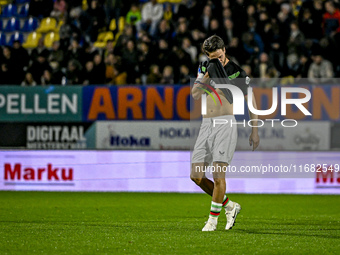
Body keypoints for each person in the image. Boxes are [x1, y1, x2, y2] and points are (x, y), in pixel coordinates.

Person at [191, 35, 260, 231]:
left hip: (225, 124)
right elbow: (195, 94)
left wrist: (255, 131)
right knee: (196, 176)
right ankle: (229, 206)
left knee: (218, 175)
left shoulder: (236, 72)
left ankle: (212, 221)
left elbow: (251, 102)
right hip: (206, 124)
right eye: (213, 58)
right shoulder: (204, 67)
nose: (218, 61)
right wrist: (207, 74)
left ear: (224, 51)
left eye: (220, 57)